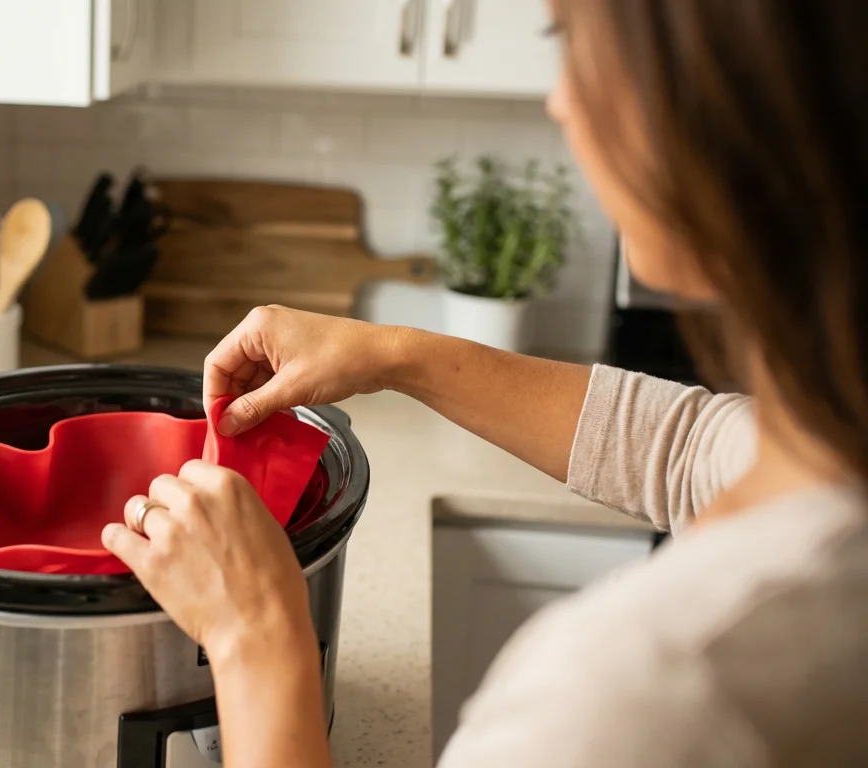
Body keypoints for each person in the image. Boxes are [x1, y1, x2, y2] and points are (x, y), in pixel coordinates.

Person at [100, 1, 868, 766]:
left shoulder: (646, 694)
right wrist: (394, 354)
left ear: (737, 94)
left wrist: (254, 636)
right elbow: (689, 448)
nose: (560, 98)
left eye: (572, 40)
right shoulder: (835, 459)